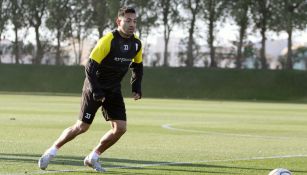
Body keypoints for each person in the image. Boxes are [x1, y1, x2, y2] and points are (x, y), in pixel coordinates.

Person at [38, 7, 143, 172]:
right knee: (82, 127)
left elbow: (138, 66)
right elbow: (89, 67)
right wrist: (96, 90)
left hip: (113, 89)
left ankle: (93, 157)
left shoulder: (136, 43)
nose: (132, 24)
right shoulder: (108, 40)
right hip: (95, 86)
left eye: (134, 21)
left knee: (120, 129)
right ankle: (51, 151)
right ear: (119, 21)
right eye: (128, 20)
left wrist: (136, 87)